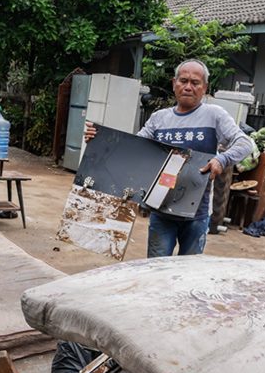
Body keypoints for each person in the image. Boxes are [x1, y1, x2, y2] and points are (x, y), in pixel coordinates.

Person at [84, 59, 252, 258]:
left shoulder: (214, 115)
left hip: (196, 213)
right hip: (161, 209)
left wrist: (221, 160)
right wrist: (100, 140)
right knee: (156, 267)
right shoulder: (159, 118)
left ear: (205, 87)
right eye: (183, 81)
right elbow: (133, 148)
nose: (188, 87)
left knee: (187, 270)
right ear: (174, 83)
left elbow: (245, 143)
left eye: (195, 82)